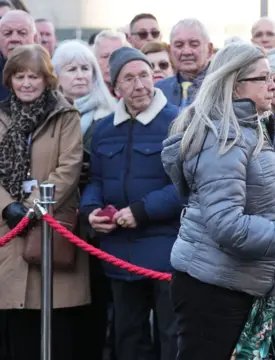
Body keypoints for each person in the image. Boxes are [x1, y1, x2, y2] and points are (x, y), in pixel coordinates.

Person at [160, 42, 275, 360]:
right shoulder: (224, 139)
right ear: (236, 84)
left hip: (238, 284)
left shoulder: (250, 129)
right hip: (213, 288)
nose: (273, 85)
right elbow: (228, 226)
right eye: (264, 78)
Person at [80, 47, 182, 360]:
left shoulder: (178, 121)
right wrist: (91, 211)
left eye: (144, 76)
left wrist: (142, 211)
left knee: (171, 335)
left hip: (168, 251)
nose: (139, 85)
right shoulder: (103, 130)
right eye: (129, 79)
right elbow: (95, 180)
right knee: (128, 336)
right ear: (115, 88)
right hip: (119, 252)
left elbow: (186, 185)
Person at [0, 44, 87, 360]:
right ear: (10, 80)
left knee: (55, 327)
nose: (26, 83)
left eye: (33, 76)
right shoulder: (1, 115)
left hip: (49, 228)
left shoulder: (65, 114)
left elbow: (69, 166)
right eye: (19, 76)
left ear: (46, 79)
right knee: (15, 326)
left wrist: (32, 207)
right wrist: (7, 206)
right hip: (7, 230)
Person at [51, 38, 117, 360]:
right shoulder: (47, 117)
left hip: (95, 223)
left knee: (96, 301)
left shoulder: (111, 116)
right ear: (56, 75)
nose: (80, 75)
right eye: (71, 68)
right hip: (56, 221)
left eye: (86, 68)